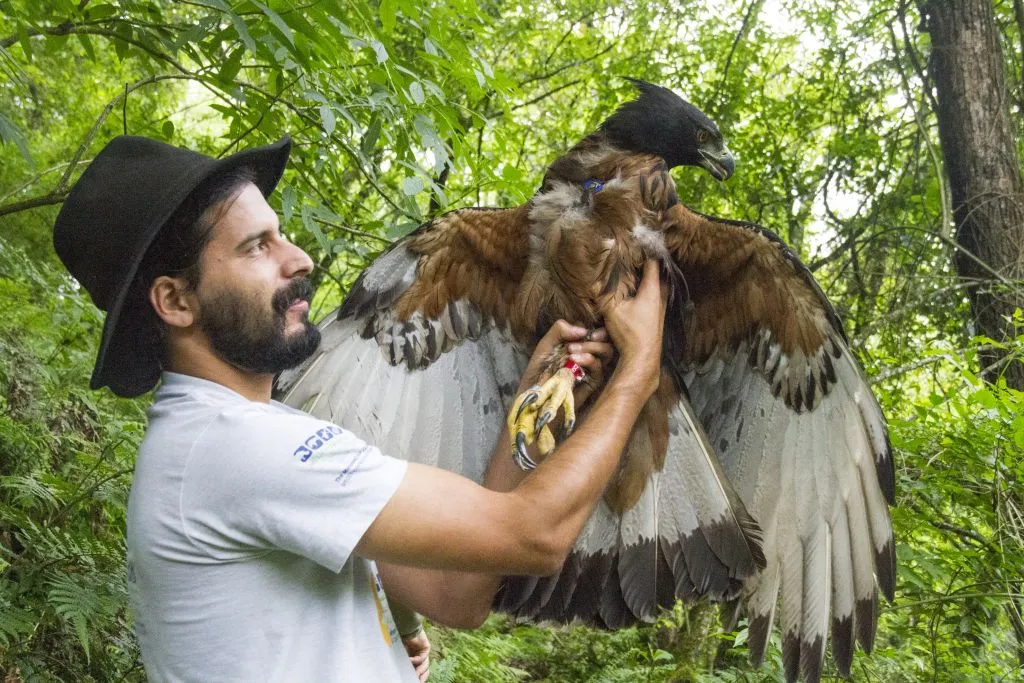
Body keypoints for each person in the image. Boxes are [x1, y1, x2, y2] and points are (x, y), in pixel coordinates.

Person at [52, 135, 667, 682]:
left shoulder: (243, 440)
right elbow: (534, 536)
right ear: (175, 301)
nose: (298, 259)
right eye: (256, 247)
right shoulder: (235, 449)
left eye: (281, 233)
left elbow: (457, 595)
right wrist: (637, 370)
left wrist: (525, 412)